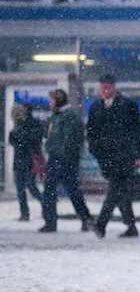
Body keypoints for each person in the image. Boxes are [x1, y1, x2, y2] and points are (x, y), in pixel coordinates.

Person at [87, 74, 140, 239]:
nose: (105, 90)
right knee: (121, 192)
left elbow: (136, 132)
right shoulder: (95, 107)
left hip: (125, 156)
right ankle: (131, 225)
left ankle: (101, 224)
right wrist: (95, 150)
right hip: (105, 157)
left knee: (114, 190)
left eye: (108, 87)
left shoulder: (128, 105)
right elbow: (91, 132)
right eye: (102, 87)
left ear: (114, 87)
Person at [39, 89, 94, 233]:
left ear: (58, 101)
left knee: (69, 190)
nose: (49, 103)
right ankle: (52, 222)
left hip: (65, 159)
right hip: (56, 157)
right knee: (55, 190)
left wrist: (62, 154)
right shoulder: (56, 116)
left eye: (51, 100)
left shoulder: (69, 116)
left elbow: (70, 139)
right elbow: (51, 135)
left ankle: (84, 220)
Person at [9, 104, 44, 221]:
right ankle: (25, 213)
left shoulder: (31, 124)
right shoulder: (19, 124)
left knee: (29, 186)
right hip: (22, 160)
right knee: (22, 188)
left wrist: (19, 133)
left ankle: (46, 205)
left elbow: (28, 140)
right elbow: (14, 140)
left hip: (29, 160)